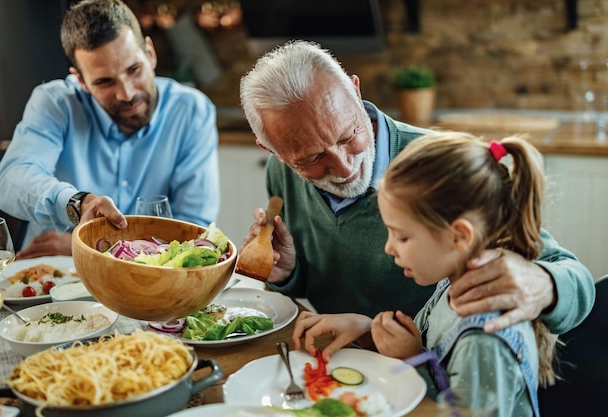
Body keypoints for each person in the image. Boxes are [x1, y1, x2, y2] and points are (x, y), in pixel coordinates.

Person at [239, 40, 594, 335]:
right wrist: (289, 273)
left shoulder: (437, 165)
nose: (345, 166)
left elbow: (577, 281)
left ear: (356, 90)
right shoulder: (280, 174)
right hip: (348, 364)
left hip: (432, 377)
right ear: (275, 152)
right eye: (312, 158)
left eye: (350, 134)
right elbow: (321, 286)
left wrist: (544, 284)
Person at [295, 132, 557, 416]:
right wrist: (369, 330)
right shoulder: (454, 280)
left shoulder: (486, 337)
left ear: (459, 237)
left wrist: (412, 359)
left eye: (403, 237)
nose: (389, 248)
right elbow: (428, 351)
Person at [0, 0, 219, 259]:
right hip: (54, 276)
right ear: (81, 81)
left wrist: (88, 245)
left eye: (134, 70)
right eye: (104, 81)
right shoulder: (55, 103)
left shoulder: (191, 111)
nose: (127, 93)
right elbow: (11, 181)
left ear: (150, 53)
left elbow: (192, 227)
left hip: (145, 282)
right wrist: (78, 203)